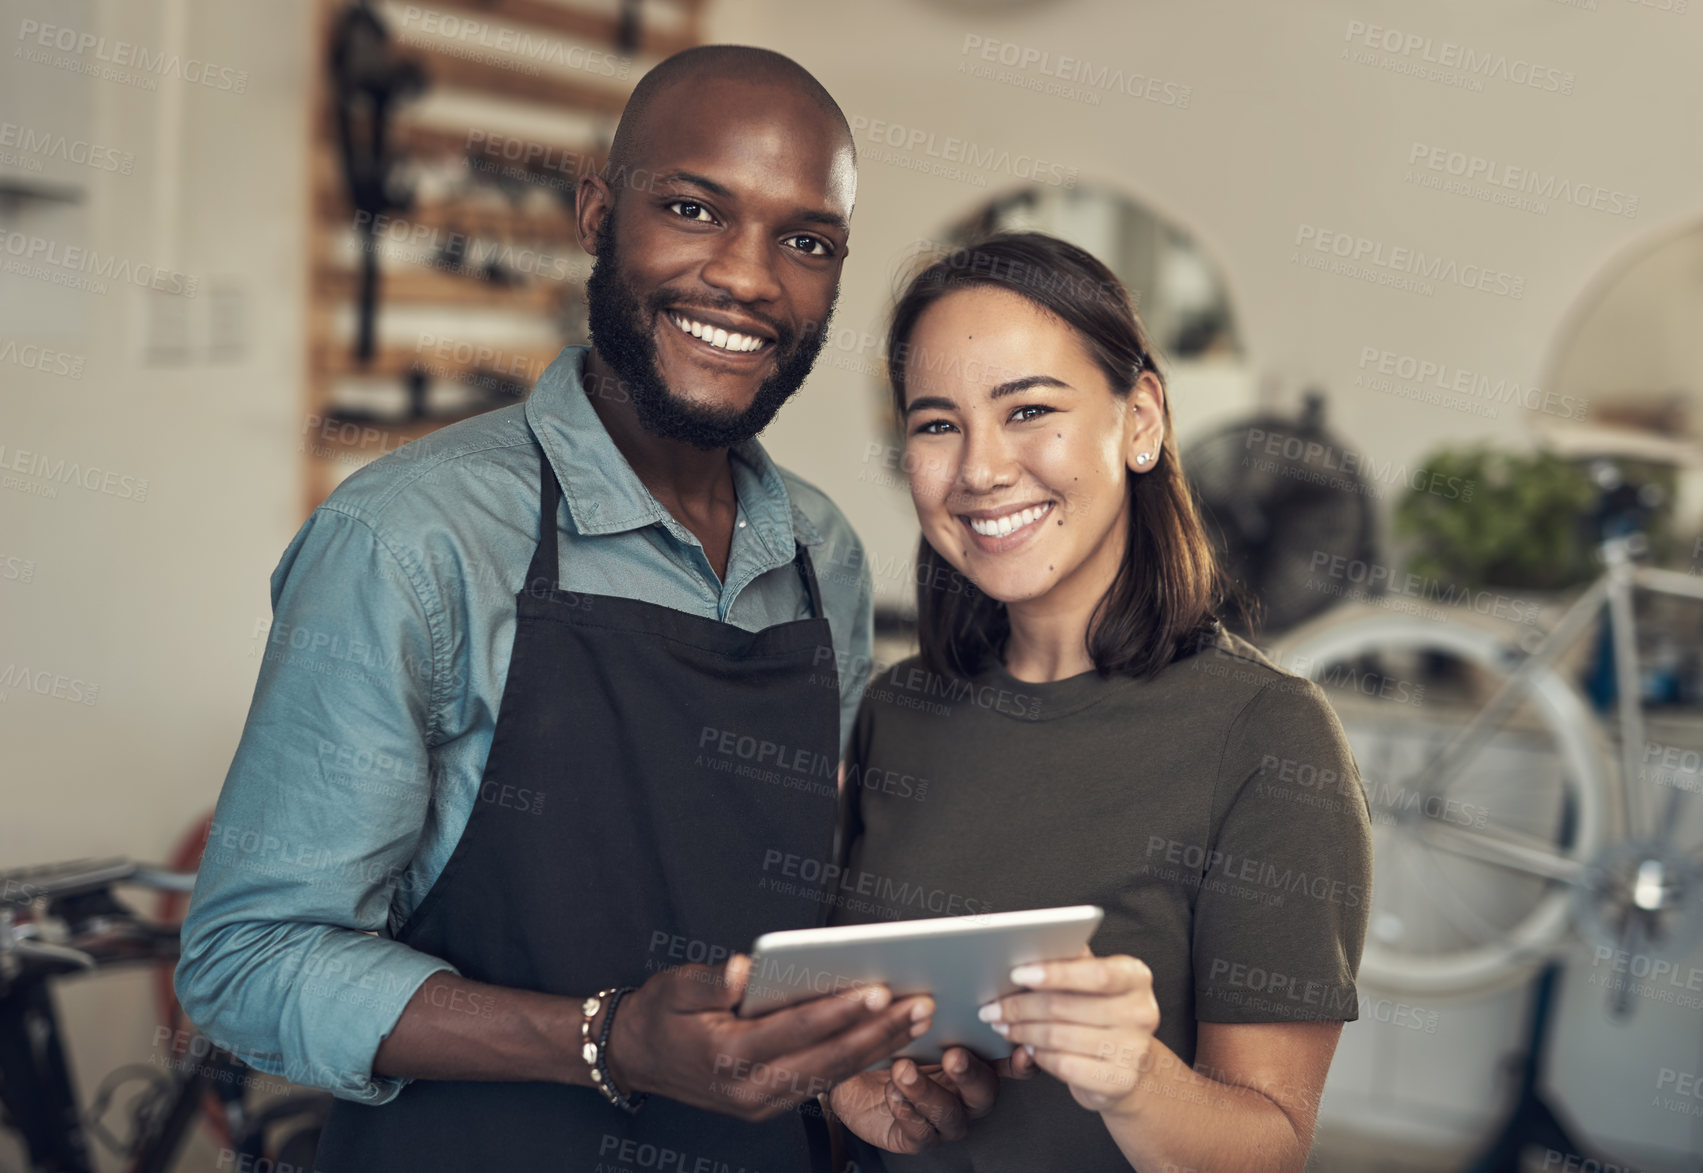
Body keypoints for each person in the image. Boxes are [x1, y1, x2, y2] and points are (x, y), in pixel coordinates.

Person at [175, 46, 996, 1172]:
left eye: (805, 241)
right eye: (694, 208)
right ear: (597, 215)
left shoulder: (824, 555)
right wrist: (602, 1039)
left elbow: (785, 927)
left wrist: (842, 1056)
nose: (750, 279)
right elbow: (244, 965)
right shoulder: (411, 541)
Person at [822, 233, 1374, 1171]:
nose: (980, 469)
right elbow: (844, 1031)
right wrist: (855, 1086)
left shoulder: (1267, 738)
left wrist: (1135, 1078)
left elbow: (1270, 1147)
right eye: (935, 423)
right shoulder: (895, 709)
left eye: (1028, 408)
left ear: (1142, 419)